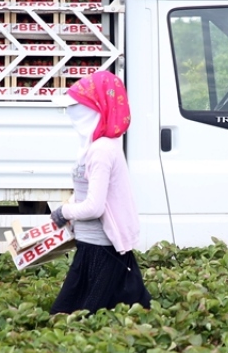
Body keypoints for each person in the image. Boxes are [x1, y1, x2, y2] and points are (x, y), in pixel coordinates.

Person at [48, 70, 151, 315]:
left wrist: (64, 211)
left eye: (77, 107)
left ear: (96, 109)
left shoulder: (101, 150)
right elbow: (85, 192)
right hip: (92, 244)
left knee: (74, 315)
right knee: (109, 312)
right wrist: (70, 210)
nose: (72, 113)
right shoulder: (95, 146)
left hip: (100, 249)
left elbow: (95, 206)